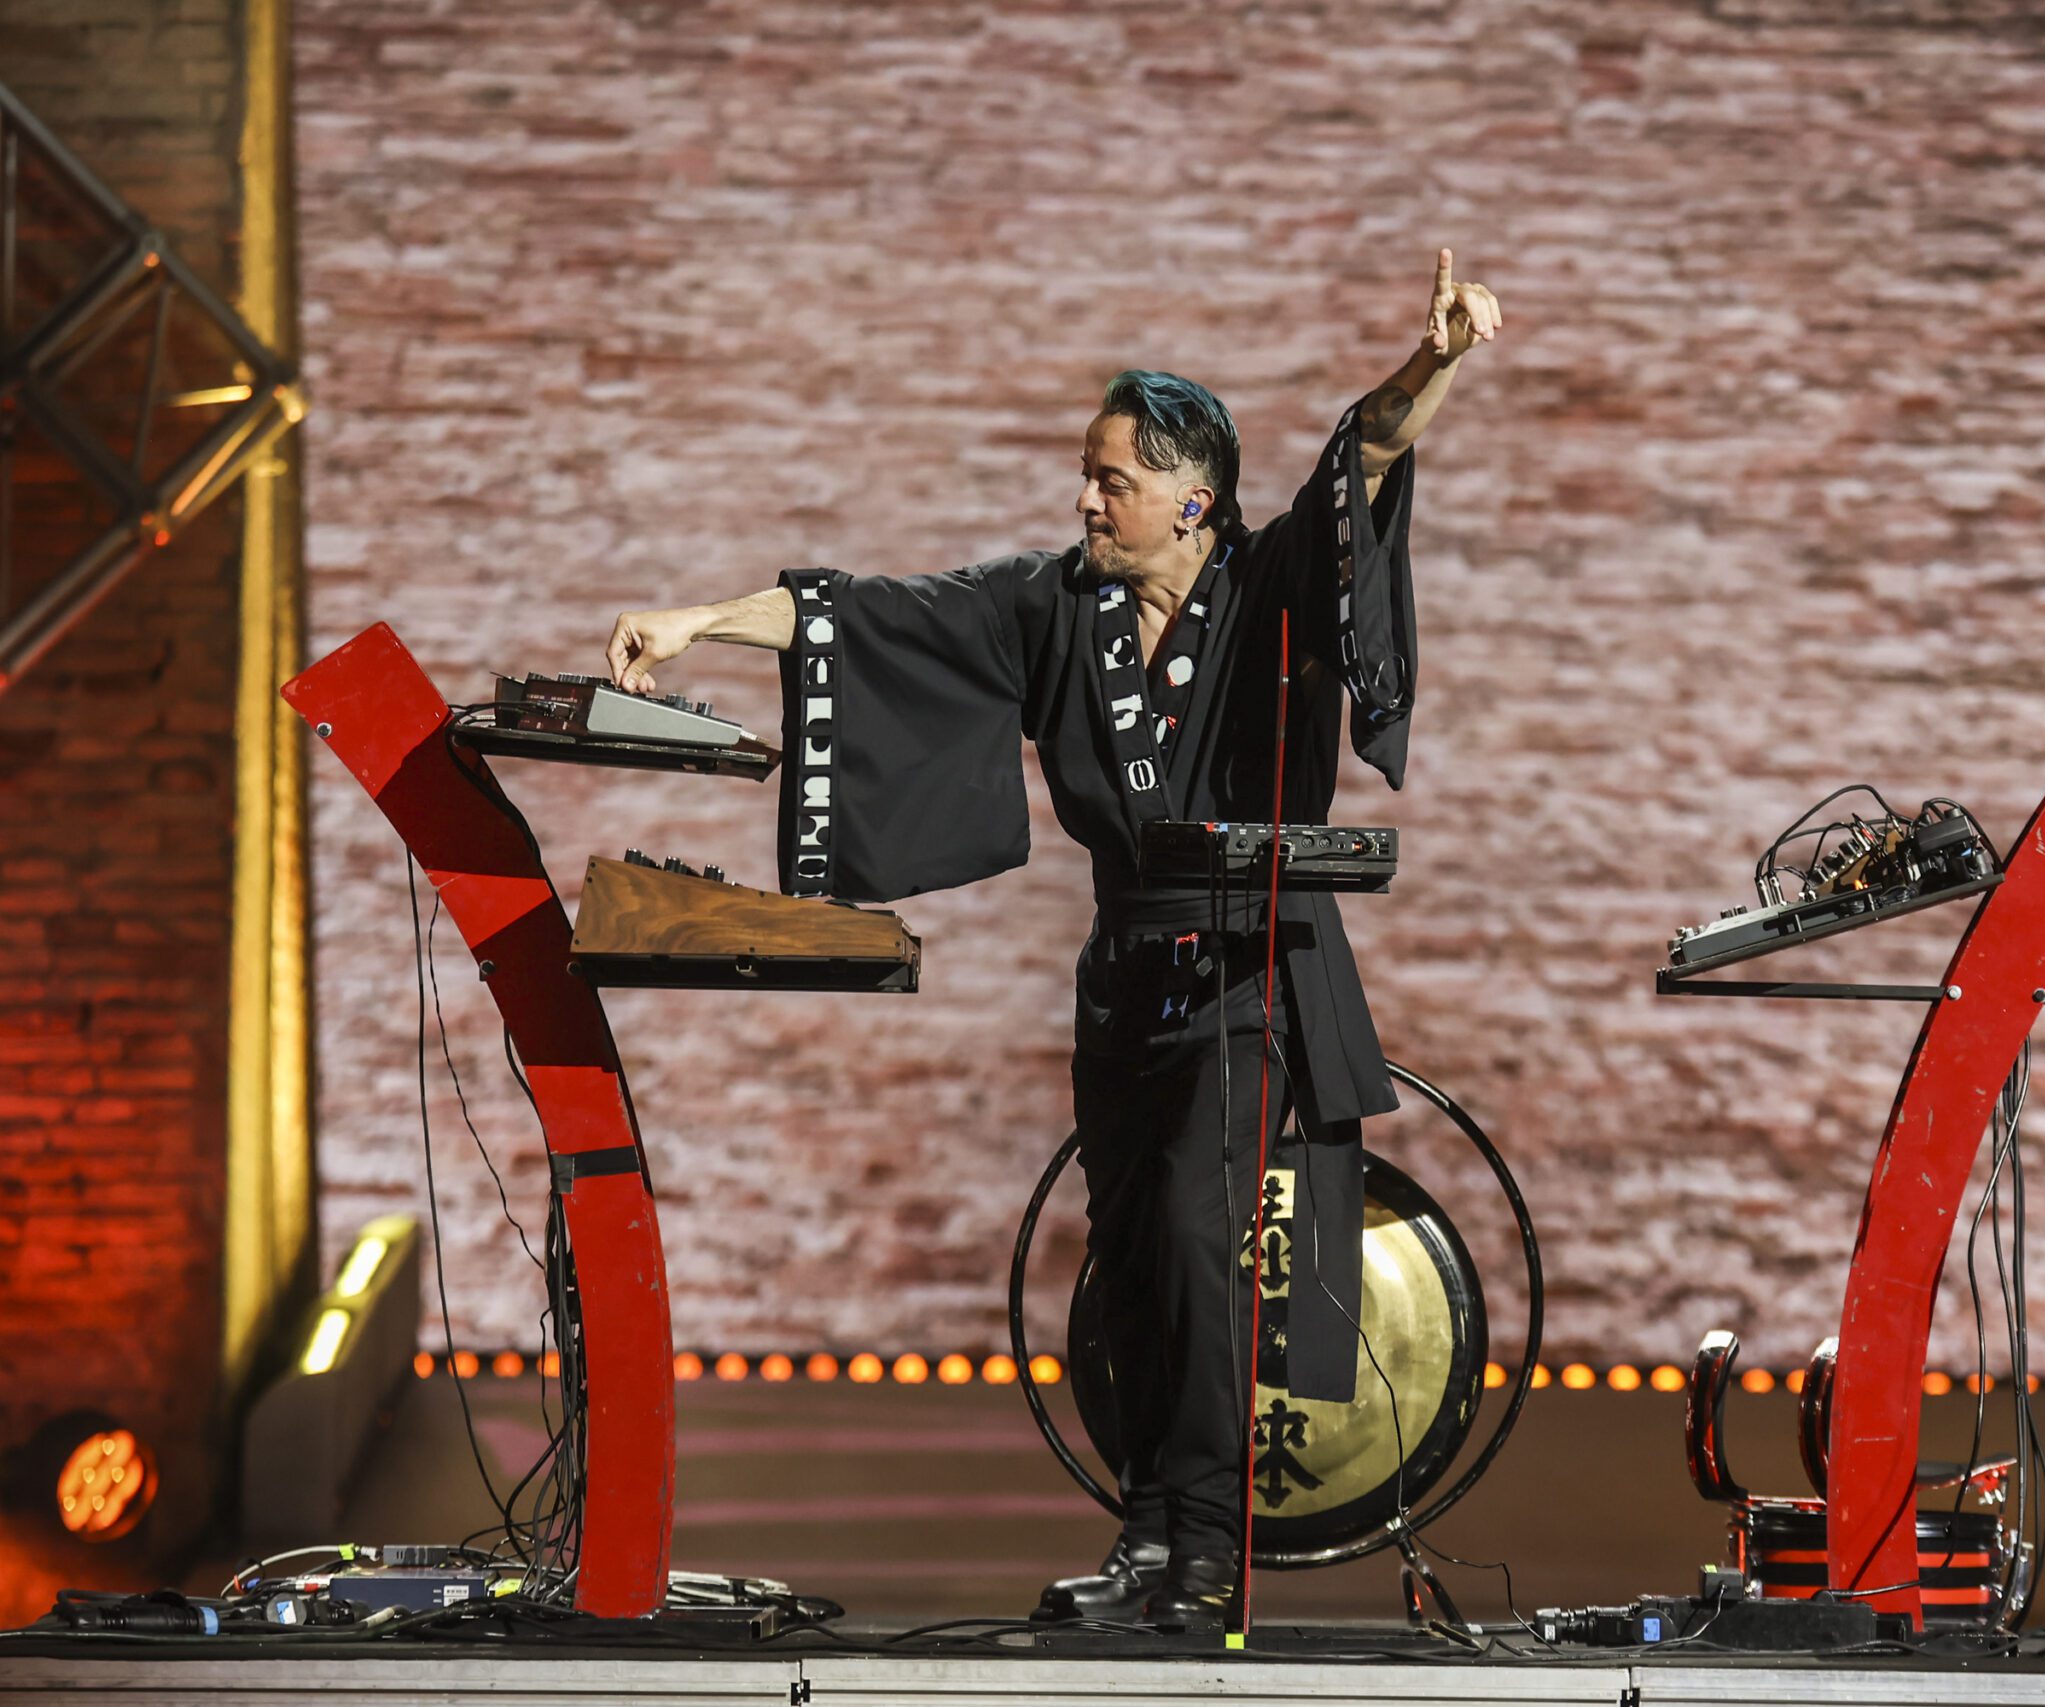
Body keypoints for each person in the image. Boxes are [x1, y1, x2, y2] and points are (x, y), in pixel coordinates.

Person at [604, 250, 1502, 1630]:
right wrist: (700, 621)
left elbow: (1363, 461)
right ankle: (1150, 1533)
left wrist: (1431, 363)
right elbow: (867, 612)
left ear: (1193, 500)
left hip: (1250, 967)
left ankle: (1209, 1556)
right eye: (1085, 474)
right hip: (1124, 974)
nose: (1084, 498)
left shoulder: (1269, 585)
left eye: (1111, 480)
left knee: (1200, 1235)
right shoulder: (1055, 606)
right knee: (1128, 1253)